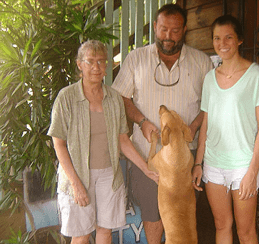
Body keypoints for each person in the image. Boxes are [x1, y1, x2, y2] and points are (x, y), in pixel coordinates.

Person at [111, 3, 213, 244]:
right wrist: (142, 120)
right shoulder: (136, 58)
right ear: (155, 27)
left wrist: (196, 124)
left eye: (175, 30)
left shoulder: (201, 62)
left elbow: (211, 106)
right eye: (163, 29)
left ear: (185, 30)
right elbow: (121, 97)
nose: (168, 36)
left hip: (185, 156)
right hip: (149, 156)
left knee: (181, 215)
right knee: (152, 211)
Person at [47, 40, 158, 244]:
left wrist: (145, 168)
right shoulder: (66, 97)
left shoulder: (114, 98)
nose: (96, 67)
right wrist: (75, 184)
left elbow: (122, 140)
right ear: (79, 64)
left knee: (105, 231)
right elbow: (59, 144)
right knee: (81, 235)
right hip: (78, 174)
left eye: (100, 62)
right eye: (90, 62)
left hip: (109, 175)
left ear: (107, 65)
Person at [192, 15, 259, 244]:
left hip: (243, 165)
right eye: (217, 38)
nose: (222, 43)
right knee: (221, 225)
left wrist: (252, 171)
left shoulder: (255, 75)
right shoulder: (209, 79)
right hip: (214, 164)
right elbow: (206, 123)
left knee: (246, 233)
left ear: (239, 40)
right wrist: (199, 163)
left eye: (228, 37)